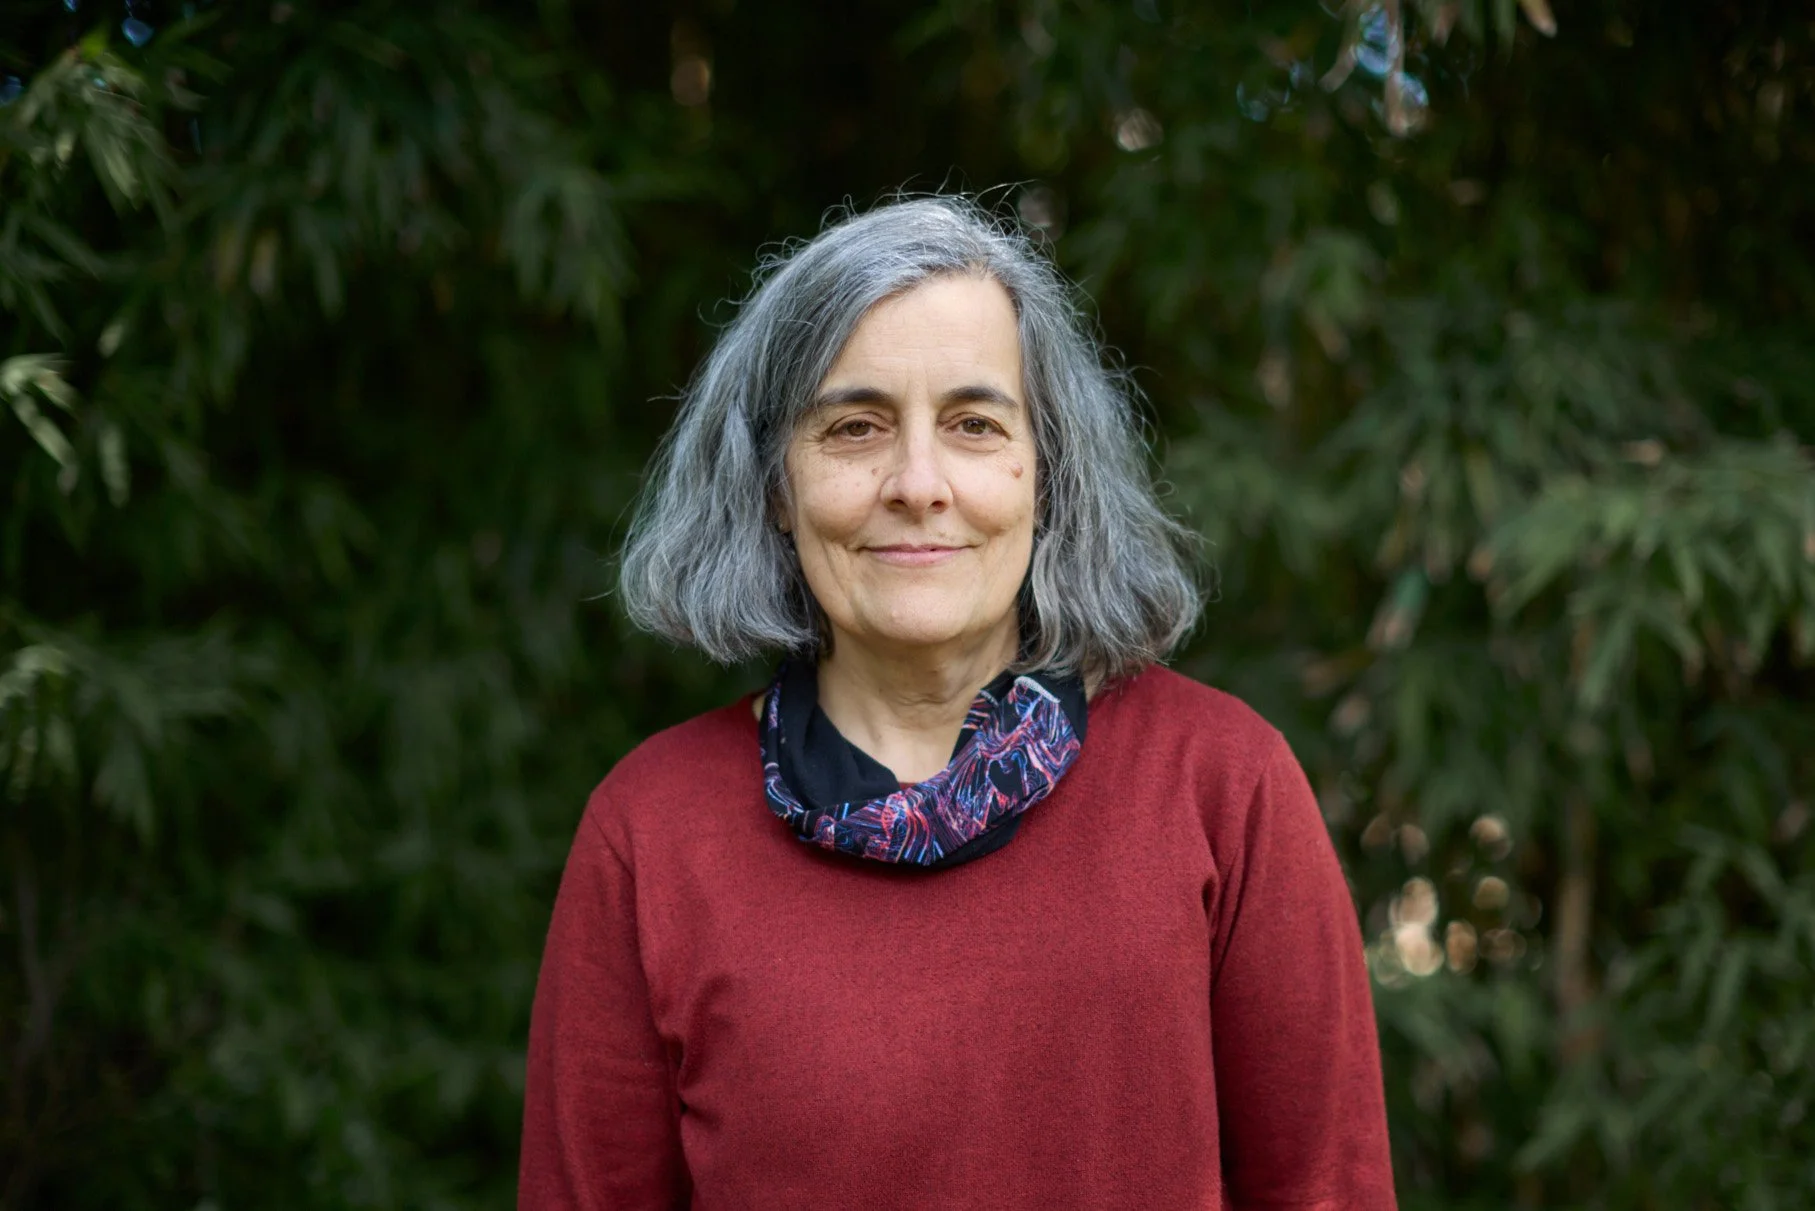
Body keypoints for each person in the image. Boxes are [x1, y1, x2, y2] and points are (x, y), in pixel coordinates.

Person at [518, 196, 1396, 1210]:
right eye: (856, 426)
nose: (919, 482)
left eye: (975, 424)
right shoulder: (653, 833)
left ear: (1047, 475)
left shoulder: (1222, 787)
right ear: (773, 484)